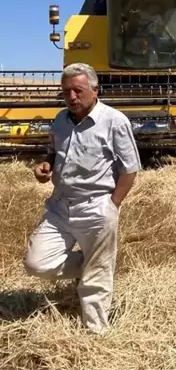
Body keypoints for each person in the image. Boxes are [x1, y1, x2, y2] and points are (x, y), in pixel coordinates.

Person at [23, 63, 141, 335]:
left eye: (78, 90)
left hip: (96, 206)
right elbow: (54, 151)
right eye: (67, 92)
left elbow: (130, 168)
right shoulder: (60, 120)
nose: (72, 97)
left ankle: (95, 334)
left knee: (96, 278)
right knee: (36, 263)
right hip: (60, 207)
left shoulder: (114, 121)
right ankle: (94, 264)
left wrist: (113, 205)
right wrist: (46, 165)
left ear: (95, 90)